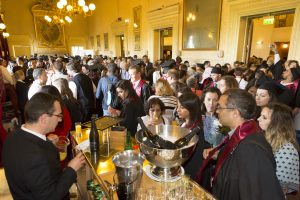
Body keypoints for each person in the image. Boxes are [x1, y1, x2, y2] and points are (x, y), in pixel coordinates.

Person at [196, 89, 284, 200]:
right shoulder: (242, 135)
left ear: (235, 113)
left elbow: (256, 192)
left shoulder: (251, 149)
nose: (217, 111)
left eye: (220, 107)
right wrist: (220, 154)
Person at [2, 92, 85, 199]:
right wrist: (71, 168)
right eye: (58, 115)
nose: (60, 119)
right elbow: (50, 196)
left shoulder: (12, 137)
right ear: (44, 118)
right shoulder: (36, 157)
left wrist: (46, 142)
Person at [258, 103, 299, 194]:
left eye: (264, 117)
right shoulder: (263, 138)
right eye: (260, 116)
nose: (258, 119)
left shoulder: (287, 150)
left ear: (277, 123)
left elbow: (279, 187)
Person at [177, 92, 210, 180]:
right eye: (178, 106)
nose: (178, 110)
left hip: (189, 173)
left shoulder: (197, 130)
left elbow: (196, 161)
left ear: (191, 109)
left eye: (182, 107)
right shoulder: (184, 124)